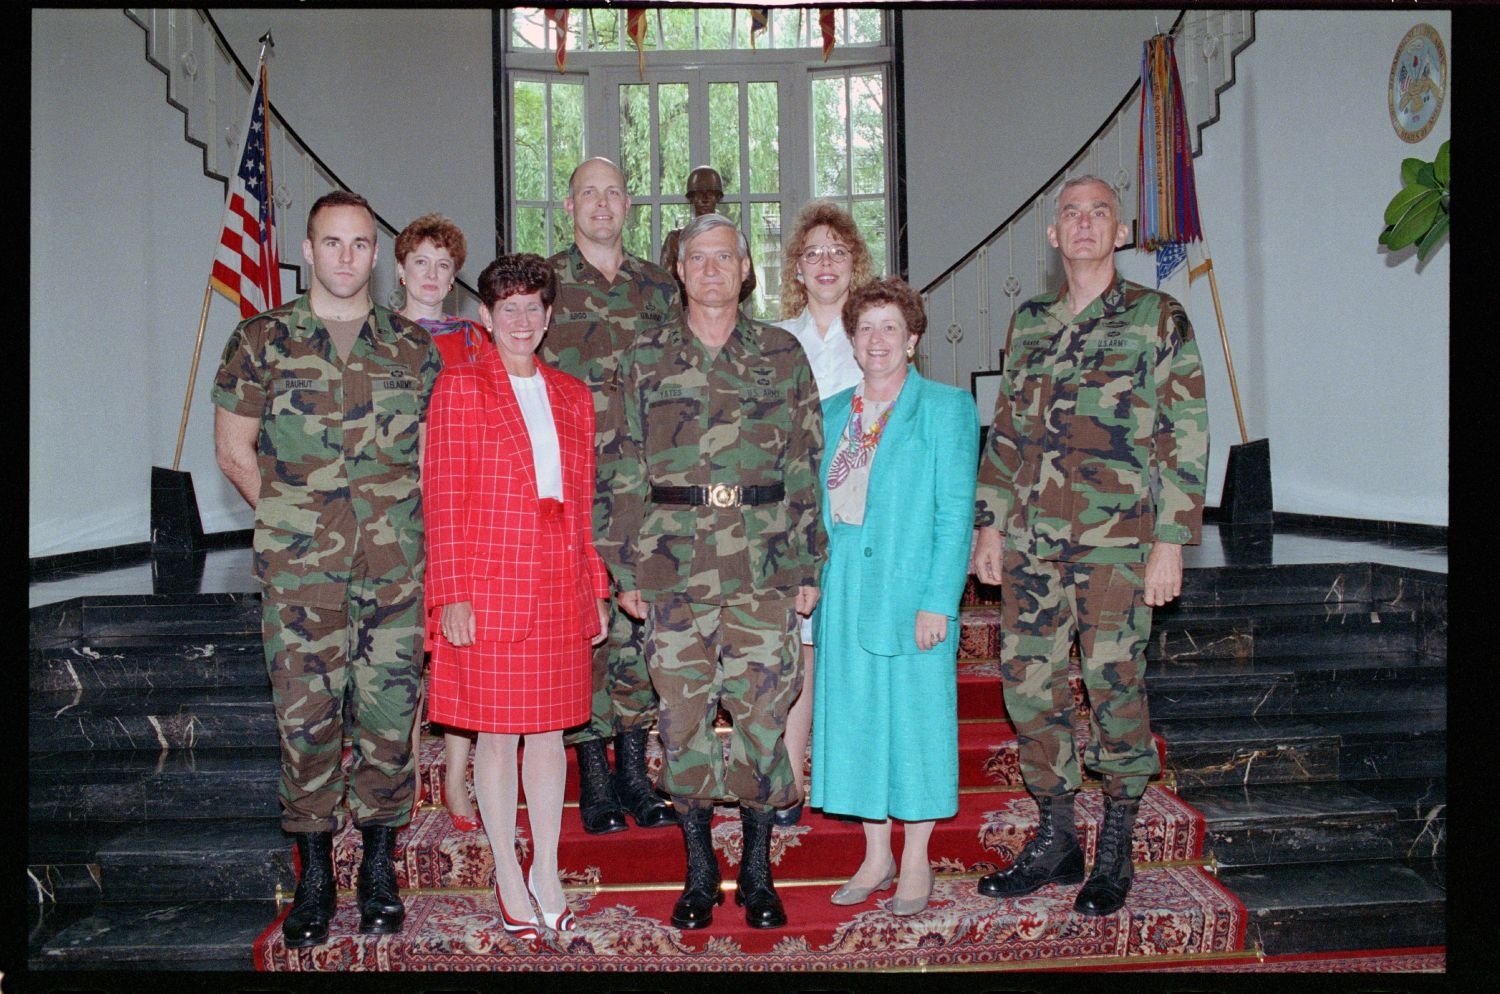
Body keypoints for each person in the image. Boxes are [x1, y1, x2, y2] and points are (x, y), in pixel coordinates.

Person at [970, 175, 1208, 917]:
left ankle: (1118, 842)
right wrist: (990, 523)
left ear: (1119, 231)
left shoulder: (1156, 317)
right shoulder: (1031, 320)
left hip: (1118, 547)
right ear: (1052, 234)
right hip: (1035, 543)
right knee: (1028, 687)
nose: (1082, 225)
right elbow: (1006, 429)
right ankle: (1057, 835)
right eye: (1069, 214)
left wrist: (1172, 542)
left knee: (1113, 689)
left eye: (1097, 213)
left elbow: (1186, 436)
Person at [213, 190, 441, 948]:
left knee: (385, 726)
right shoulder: (261, 340)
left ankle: (378, 871)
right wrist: (290, 524)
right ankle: (315, 877)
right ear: (306, 251)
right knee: (306, 726)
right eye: (331, 243)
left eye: (359, 244)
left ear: (376, 257)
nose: (346, 257)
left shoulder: (414, 349)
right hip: (302, 580)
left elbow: (438, 463)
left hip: (394, 576)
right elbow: (233, 450)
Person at [605, 213, 825, 931]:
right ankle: (700, 872)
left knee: (763, 717)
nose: (709, 270)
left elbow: (804, 466)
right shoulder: (643, 359)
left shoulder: (782, 354)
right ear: (678, 269)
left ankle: (757, 873)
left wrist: (805, 561)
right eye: (696, 258)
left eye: (722, 257)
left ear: (745, 268)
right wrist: (624, 568)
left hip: (761, 565)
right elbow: (622, 469)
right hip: (671, 568)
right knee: (683, 721)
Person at [423, 253, 612, 942]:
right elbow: (441, 500)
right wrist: (451, 596)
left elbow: (584, 503)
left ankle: (548, 871)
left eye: (535, 308)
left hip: (560, 584)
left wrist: (595, 584)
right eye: (510, 310)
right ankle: (507, 871)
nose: (523, 321)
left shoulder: (572, 394)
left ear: (549, 315)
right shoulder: (461, 388)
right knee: (497, 740)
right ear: (487, 316)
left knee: (552, 738)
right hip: (490, 585)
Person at [811, 277, 977, 917]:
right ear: (852, 340)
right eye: (865, 328)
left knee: (915, 725)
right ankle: (875, 855)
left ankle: (915, 861)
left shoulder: (945, 409)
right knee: (855, 721)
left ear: (912, 338)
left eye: (890, 328)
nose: (877, 340)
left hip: (913, 591)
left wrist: (940, 599)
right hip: (844, 585)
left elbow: (955, 513)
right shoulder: (829, 413)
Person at [541, 157, 681, 836]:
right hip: (570, 490)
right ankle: (594, 783)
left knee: (639, 638)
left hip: (646, 493)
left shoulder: (659, 287)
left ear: (630, 206)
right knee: (587, 637)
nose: (601, 205)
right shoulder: (545, 285)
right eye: (587, 194)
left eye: (613, 194)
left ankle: (633, 774)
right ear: (569, 207)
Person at [769, 200, 876, 827]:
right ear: (798, 270)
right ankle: (786, 775)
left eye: (838, 250)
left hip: (861, 513)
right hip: (792, 514)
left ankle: (853, 781)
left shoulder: (876, 333)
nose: (826, 262)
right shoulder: (777, 341)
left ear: (854, 262)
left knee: (852, 649)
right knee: (800, 652)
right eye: (813, 253)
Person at [394, 212, 490, 834]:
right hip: (393, 515)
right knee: (399, 649)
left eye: (445, 266)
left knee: (460, 647)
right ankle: (398, 772)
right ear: (400, 269)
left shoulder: (475, 340)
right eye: (421, 263)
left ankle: (456, 775)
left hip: (462, 511)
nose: (432, 276)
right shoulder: (372, 336)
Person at [659, 165, 756, 307]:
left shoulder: (734, 237)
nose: (704, 198)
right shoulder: (675, 239)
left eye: (710, 193)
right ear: (691, 198)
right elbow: (665, 284)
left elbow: (748, 281)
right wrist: (697, 301)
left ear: (718, 197)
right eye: (699, 193)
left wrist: (723, 301)